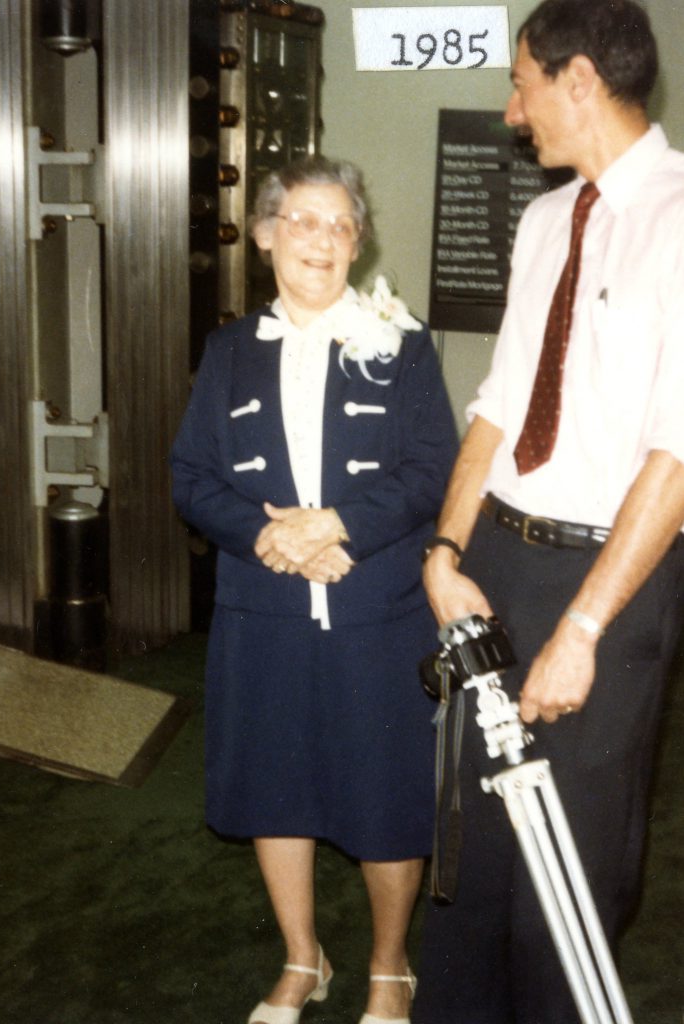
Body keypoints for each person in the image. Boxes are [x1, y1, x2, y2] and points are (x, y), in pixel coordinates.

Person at [413, 1, 684, 1021]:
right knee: (472, 866)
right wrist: (446, 550)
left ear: (580, 82)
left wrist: (581, 628)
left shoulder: (679, 217)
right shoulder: (542, 221)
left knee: (562, 885)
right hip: (498, 562)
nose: (511, 110)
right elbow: (497, 402)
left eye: (522, 82)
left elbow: (679, 452)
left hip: (607, 585)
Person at [170, 155, 458, 1024]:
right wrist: (270, 537)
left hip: (378, 612)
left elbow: (430, 469)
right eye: (302, 220)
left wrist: (334, 526)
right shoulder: (227, 352)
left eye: (340, 225)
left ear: (358, 243)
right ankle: (303, 959)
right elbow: (191, 477)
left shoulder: (401, 343)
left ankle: (386, 967)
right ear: (264, 236)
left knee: (387, 799)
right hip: (265, 615)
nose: (321, 240)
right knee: (275, 789)